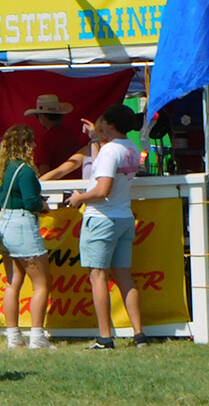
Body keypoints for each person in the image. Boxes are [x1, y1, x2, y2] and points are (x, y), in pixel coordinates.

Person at [66, 104, 149, 349]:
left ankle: (105, 337)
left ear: (110, 125)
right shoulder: (130, 147)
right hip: (123, 216)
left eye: (102, 122)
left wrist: (79, 198)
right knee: (125, 277)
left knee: (98, 277)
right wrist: (95, 137)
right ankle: (139, 334)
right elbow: (106, 166)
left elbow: (102, 190)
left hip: (102, 218)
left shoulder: (110, 151)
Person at [0, 125, 53, 350]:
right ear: (27, 145)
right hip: (23, 225)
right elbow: (30, 202)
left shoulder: (3, 169)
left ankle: (13, 336)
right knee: (41, 284)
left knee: (12, 282)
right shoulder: (26, 170)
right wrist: (43, 205)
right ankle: (37, 336)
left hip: (6, 224)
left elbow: (2, 200)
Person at [24, 94, 86, 178]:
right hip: (76, 185)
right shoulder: (71, 135)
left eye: (37, 116)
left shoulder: (46, 139)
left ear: (43, 116)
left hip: (54, 187)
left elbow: (44, 170)